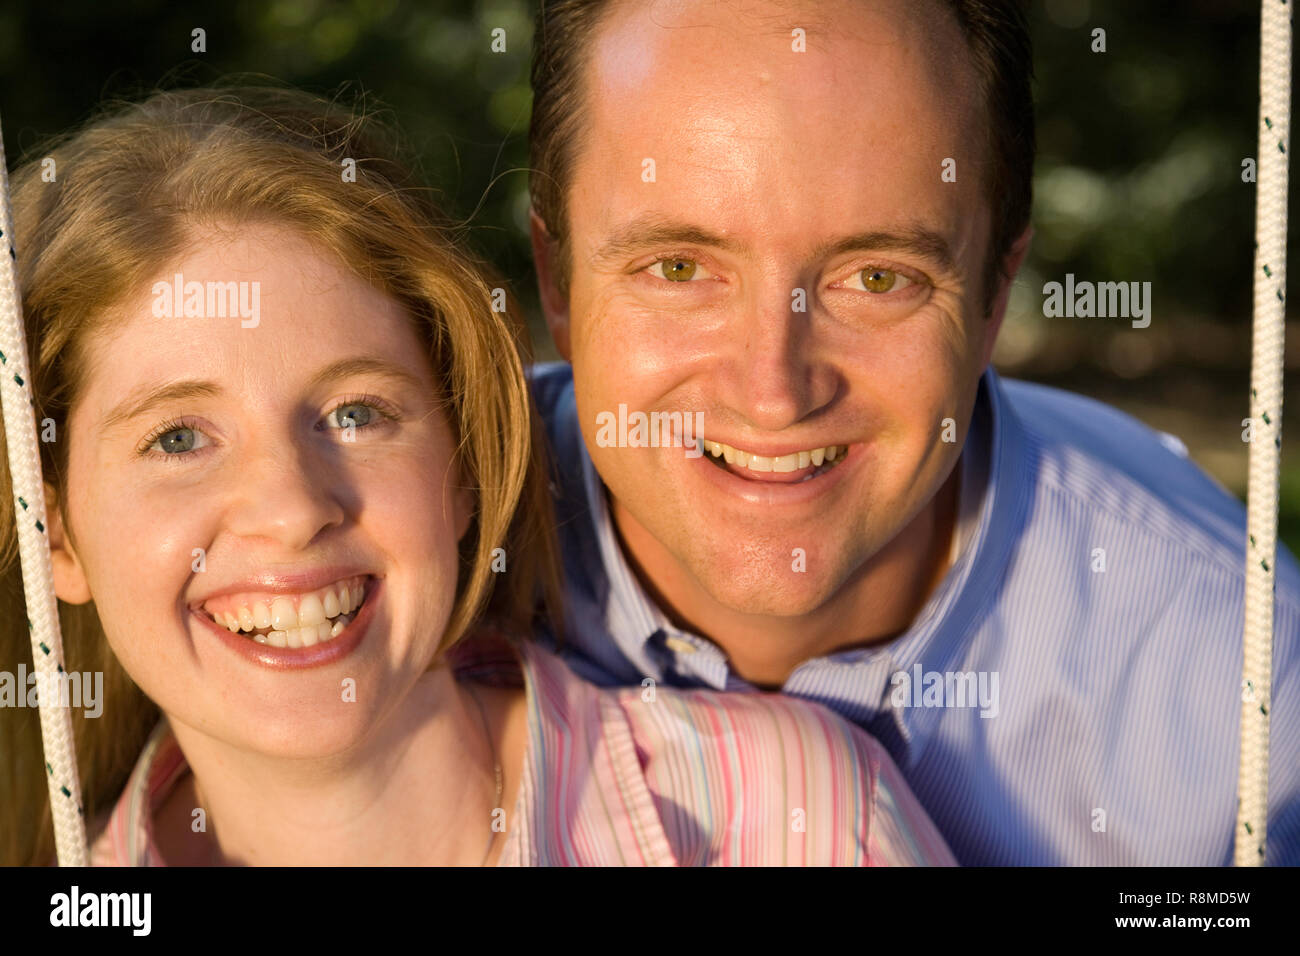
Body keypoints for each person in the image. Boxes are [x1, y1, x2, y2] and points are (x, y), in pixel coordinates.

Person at [0, 82, 955, 866]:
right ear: (58, 536)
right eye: (177, 438)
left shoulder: (799, 820)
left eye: (356, 413)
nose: (292, 509)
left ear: (460, 462)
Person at [524, 0, 1300, 864]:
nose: (774, 393)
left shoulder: (1248, 687)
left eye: (879, 276)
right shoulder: (403, 555)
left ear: (992, 297)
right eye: (678, 268)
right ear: (556, 282)